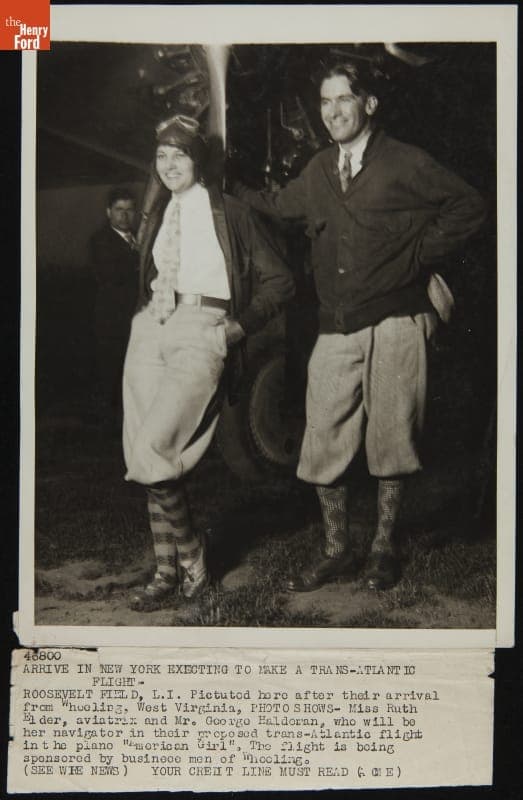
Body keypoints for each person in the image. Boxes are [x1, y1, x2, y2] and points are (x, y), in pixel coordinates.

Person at [233, 60, 486, 592]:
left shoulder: (405, 161)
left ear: (369, 104)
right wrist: (225, 186)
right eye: (325, 102)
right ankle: (336, 549)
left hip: (398, 318)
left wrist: (418, 253)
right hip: (336, 324)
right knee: (322, 436)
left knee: (392, 437)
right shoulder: (320, 169)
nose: (333, 112)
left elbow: (469, 205)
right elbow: (278, 205)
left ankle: (382, 548)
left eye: (343, 99)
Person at [123, 114, 294, 611]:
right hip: (152, 326)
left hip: (203, 326)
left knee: (155, 445)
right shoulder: (159, 212)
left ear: (199, 160)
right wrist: (145, 317)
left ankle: (193, 556)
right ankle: (165, 572)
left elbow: (281, 281)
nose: (169, 164)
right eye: (162, 155)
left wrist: (238, 327)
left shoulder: (232, 212)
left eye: (180, 154)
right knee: (141, 454)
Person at [89, 187, 139, 428]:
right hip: (112, 319)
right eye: (119, 210)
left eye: (129, 210)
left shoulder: (138, 238)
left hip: (134, 318)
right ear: (108, 212)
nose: (124, 215)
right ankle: (107, 426)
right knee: (110, 371)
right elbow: (113, 275)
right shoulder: (100, 240)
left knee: (130, 372)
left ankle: (124, 422)